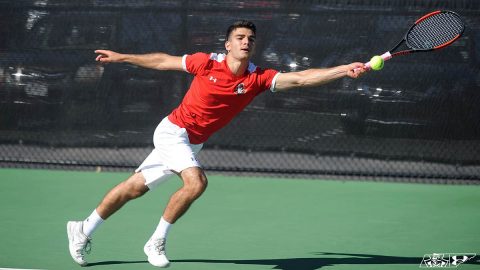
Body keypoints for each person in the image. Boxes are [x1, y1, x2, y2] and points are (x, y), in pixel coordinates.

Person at [67, 20, 366, 268]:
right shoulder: (206, 63)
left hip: (193, 142)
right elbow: (162, 61)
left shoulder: (258, 78)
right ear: (228, 45)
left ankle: (82, 229)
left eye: (251, 38)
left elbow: (301, 79)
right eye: (240, 37)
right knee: (196, 183)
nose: (246, 42)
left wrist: (343, 70)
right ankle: (156, 241)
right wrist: (122, 57)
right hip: (173, 132)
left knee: (134, 187)